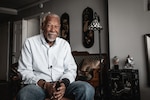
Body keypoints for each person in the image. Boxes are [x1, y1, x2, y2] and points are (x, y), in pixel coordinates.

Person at [16, 13, 95, 100]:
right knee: (24, 95)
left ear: (59, 27)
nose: (53, 30)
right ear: (43, 26)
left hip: (62, 84)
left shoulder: (64, 45)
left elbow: (70, 69)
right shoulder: (30, 43)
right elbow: (24, 71)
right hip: (39, 86)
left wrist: (64, 84)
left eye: (56, 26)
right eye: (49, 25)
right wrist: (45, 85)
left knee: (87, 89)